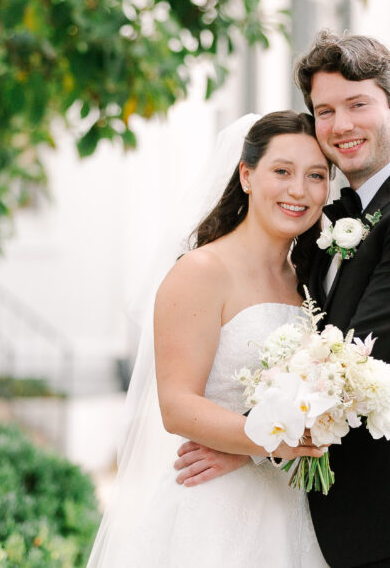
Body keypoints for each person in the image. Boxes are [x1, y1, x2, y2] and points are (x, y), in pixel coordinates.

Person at [175, 31, 390, 567]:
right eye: (324, 111)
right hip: (343, 518)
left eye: (357, 104)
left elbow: (355, 359)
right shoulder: (334, 224)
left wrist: (253, 441)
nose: (340, 125)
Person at [87, 111, 331, 567]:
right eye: (282, 171)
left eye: (316, 175)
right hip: (213, 510)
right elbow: (177, 405)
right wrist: (272, 442)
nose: (299, 190)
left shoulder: (308, 283)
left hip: (288, 506)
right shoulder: (201, 271)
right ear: (247, 175)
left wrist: (260, 452)